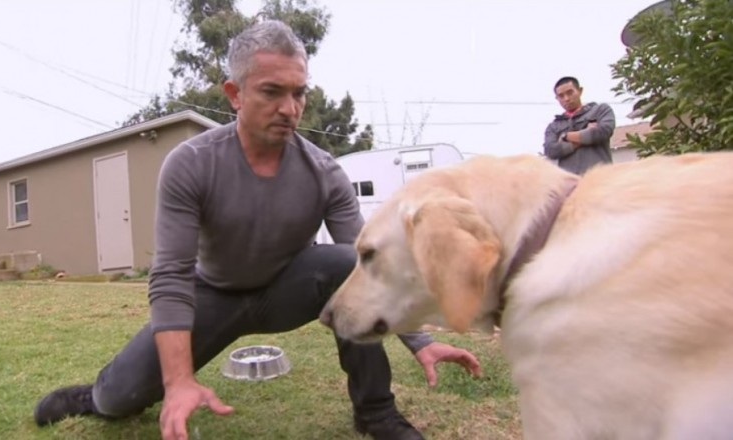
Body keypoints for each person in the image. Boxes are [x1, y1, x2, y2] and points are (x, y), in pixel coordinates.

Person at [33, 20, 480, 440]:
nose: (290, 109)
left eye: (299, 93)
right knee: (118, 399)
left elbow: (371, 265)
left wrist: (419, 340)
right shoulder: (191, 164)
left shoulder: (323, 171)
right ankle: (94, 396)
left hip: (287, 290)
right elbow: (170, 276)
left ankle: (376, 411)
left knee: (346, 266)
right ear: (235, 93)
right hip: (212, 295)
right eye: (272, 92)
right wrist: (180, 380)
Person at [543, 76, 616, 175]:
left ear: (580, 91)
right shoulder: (554, 126)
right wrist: (585, 136)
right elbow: (551, 151)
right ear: (557, 98)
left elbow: (602, 132)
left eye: (570, 93)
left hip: (602, 180)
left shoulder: (600, 110)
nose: (566, 99)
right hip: (572, 185)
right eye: (561, 96)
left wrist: (565, 136)